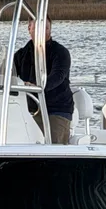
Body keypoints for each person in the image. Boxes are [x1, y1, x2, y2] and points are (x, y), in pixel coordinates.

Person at [12, 16, 74, 144]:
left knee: (55, 148)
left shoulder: (61, 53)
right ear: (29, 28)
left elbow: (58, 77)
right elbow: (6, 75)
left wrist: (34, 87)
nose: (42, 31)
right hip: (27, 110)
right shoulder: (20, 55)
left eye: (45, 28)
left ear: (50, 30)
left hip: (56, 109)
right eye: (37, 28)